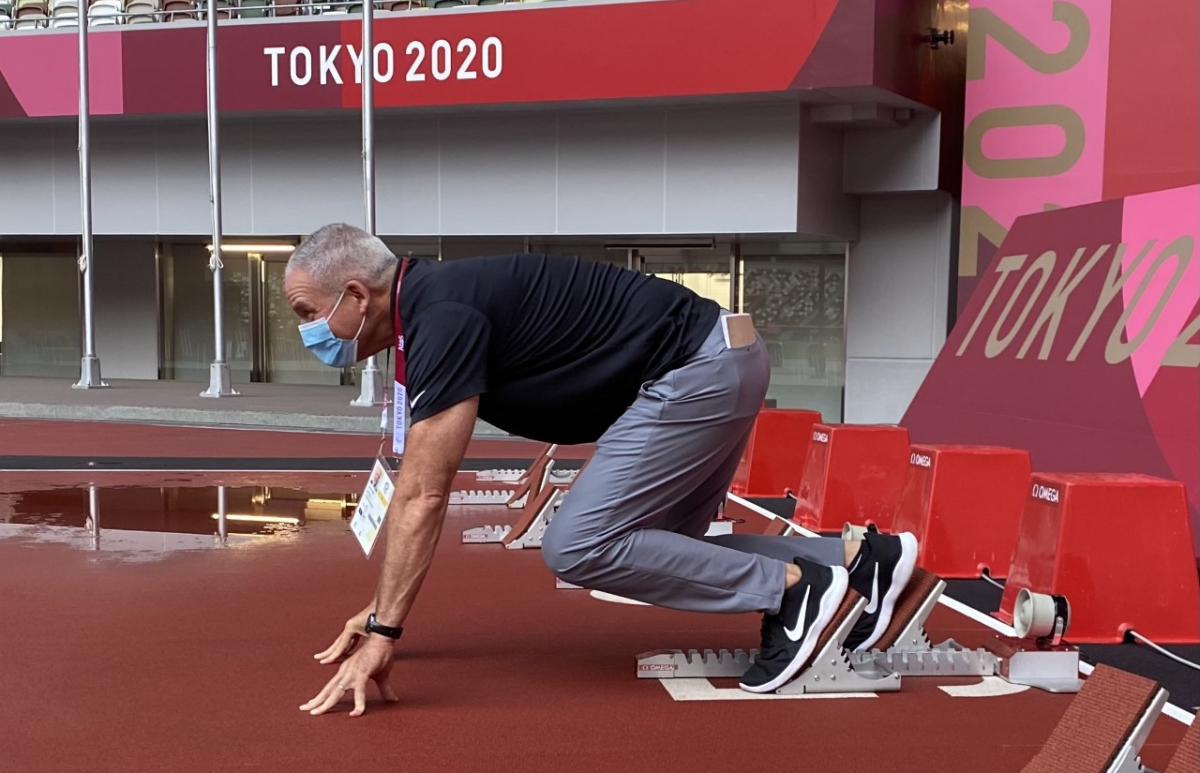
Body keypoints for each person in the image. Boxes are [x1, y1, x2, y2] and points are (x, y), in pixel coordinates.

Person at [284, 223, 918, 715]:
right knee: (664, 547)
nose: (308, 333)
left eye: (307, 314)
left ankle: (794, 591)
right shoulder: (431, 307)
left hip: (695, 368)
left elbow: (423, 494)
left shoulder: (440, 317)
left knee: (579, 546)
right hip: (722, 357)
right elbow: (415, 476)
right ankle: (859, 561)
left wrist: (384, 631)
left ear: (356, 295)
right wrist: (377, 609)